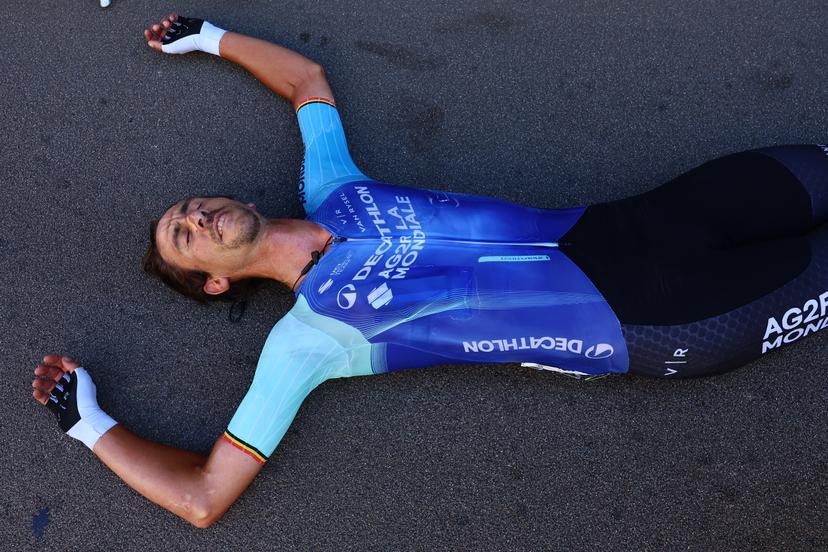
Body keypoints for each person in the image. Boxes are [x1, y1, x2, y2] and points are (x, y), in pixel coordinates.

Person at [31, 13, 828, 528]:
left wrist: (207, 38)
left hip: (656, 218)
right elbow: (203, 497)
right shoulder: (311, 342)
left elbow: (306, 82)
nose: (198, 216)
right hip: (666, 318)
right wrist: (89, 424)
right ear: (216, 282)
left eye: (192, 206)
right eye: (187, 236)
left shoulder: (336, 187)